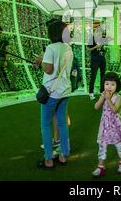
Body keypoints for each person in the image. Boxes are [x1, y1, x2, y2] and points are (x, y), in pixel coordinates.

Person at [37, 19, 73, 169]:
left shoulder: (51, 48)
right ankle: (64, 155)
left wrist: (40, 61)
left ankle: (49, 159)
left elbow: (48, 69)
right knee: (62, 123)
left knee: (46, 124)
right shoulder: (68, 48)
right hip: (65, 91)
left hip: (51, 92)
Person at [92, 72, 121, 177]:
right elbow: (96, 107)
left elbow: (114, 110)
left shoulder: (119, 97)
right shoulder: (103, 95)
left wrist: (108, 99)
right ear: (103, 84)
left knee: (119, 146)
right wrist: (103, 98)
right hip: (104, 126)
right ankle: (100, 166)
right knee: (102, 146)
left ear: (117, 86)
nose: (109, 87)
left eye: (113, 84)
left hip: (115, 127)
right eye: (107, 84)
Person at [87, 22, 109, 100]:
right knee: (93, 76)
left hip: (102, 58)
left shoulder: (102, 38)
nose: (100, 32)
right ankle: (91, 92)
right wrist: (96, 46)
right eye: (98, 31)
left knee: (103, 76)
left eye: (101, 31)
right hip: (95, 59)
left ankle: (102, 92)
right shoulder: (92, 38)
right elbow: (88, 49)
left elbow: (107, 41)